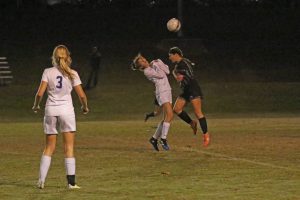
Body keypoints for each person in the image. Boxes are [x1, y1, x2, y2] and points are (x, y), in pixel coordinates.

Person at [32, 45, 89, 189]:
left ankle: (41, 181)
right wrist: (85, 107)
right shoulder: (73, 73)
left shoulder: (47, 71)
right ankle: (71, 183)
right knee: (68, 147)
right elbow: (81, 95)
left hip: (51, 110)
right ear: (68, 56)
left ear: (54, 57)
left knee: (49, 147)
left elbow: (39, 94)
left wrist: (36, 105)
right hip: (67, 111)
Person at [168, 47, 210, 147]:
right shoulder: (178, 66)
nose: (169, 58)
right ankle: (192, 123)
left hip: (193, 87)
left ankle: (206, 135)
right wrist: (177, 74)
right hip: (186, 90)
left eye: (170, 55)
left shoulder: (184, 61)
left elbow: (189, 73)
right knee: (177, 109)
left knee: (198, 112)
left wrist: (180, 74)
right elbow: (178, 77)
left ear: (176, 54)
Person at [132, 54, 173, 151]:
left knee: (166, 118)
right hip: (161, 92)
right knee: (170, 115)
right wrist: (156, 64)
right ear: (141, 66)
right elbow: (161, 75)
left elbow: (167, 71)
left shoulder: (154, 64)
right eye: (141, 61)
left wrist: (159, 61)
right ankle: (163, 139)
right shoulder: (147, 71)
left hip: (168, 90)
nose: (144, 60)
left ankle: (154, 139)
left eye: (143, 58)